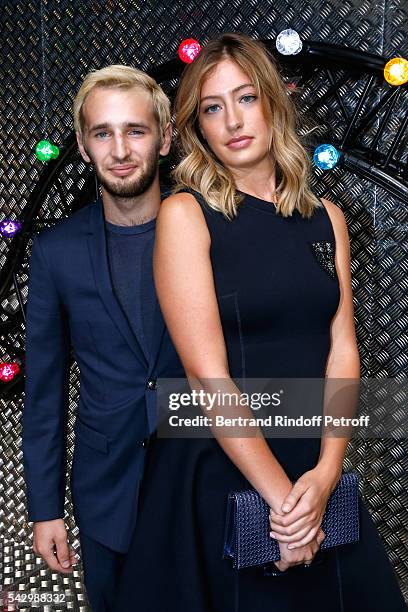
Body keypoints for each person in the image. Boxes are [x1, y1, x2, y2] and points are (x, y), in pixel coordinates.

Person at [114, 34, 407, 611]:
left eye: (246, 98)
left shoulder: (327, 217)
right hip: (228, 467)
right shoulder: (185, 214)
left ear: (273, 101)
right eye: (212, 107)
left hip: (312, 465)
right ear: (198, 126)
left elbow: (342, 351)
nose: (232, 121)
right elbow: (205, 378)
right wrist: (286, 506)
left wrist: (326, 472)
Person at [22, 64, 184, 611]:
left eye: (135, 131)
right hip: (107, 495)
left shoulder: (212, 232)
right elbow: (43, 394)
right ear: (84, 146)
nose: (120, 149)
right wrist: (44, 509)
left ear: (165, 139)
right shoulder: (55, 253)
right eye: (103, 133)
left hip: (203, 478)